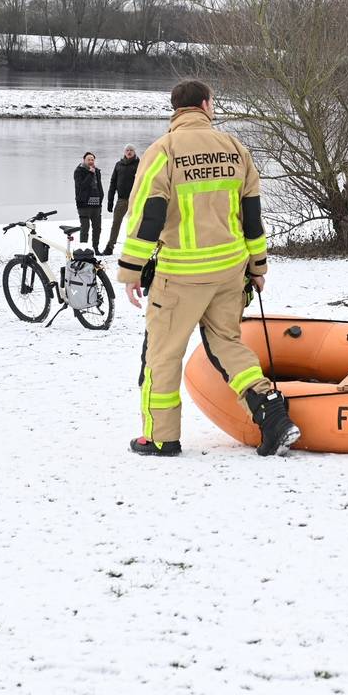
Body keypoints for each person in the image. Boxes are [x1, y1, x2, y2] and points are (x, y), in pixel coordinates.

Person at [118, 79, 299, 458]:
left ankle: (160, 438)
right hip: (230, 270)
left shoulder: (163, 151)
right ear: (205, 105)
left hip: (181, 274)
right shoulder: (234, 148)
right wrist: (258, 266)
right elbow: (251, 214)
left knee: (163, 355)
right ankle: (272, 414)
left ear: (176, 108)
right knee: (229, 345)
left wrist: (131, 269)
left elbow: (148, 214)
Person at [102, 144, 139, 255]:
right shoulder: (119, 165)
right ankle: (110, 247)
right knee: (116, 223)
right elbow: (113, 183)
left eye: (131, 150)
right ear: (124, 152)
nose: (129, 152)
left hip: (136, 199)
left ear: (134, 152)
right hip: (122, 199)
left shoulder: (140, 164)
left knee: (136, 223)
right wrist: (110, 200)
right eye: (127, 150)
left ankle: (135, 247)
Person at [73, 152, 104, 253]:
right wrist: (90, 173)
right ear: (84, 160)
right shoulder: (79, 171)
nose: (91, 161)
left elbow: (99, 185)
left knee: (97, 228)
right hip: (84, 204)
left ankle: (96, 248)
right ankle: (83, 249)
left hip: (96, 203)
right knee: (85, 228)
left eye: (92, 159)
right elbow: (81, 186)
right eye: (88, 159)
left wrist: (101, 197)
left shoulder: (97, 171)